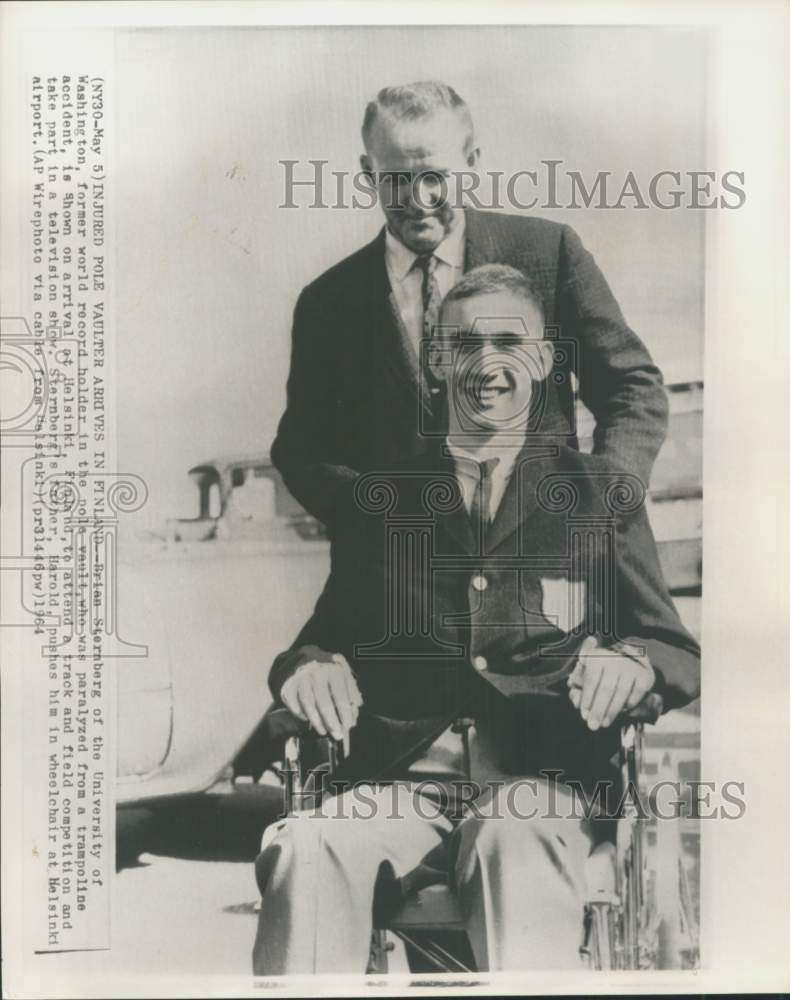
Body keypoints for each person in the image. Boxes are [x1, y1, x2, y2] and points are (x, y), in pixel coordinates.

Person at [252, 266, 700, 974]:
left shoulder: (595, 496)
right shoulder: (384, 502)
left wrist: (634, 661)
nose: (486, 365)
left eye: (508, 343)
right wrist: (309, 668)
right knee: (305, 847)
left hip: (540, 785)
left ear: (544, 361)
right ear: (438, 362)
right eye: (463, 346)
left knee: (510, 832)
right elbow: (318, 641)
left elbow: (675, 648)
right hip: (400, 790)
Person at [270, 80, 669, 531]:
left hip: (539, 564)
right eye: (396, 180)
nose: (418, 202)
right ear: (367, 171)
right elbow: (302, 452)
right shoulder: (327, 304)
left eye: (434, 177)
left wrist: (602, 501)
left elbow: (633, 388)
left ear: (473, 163)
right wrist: (373, 522)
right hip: (400, 584)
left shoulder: (549, 254)